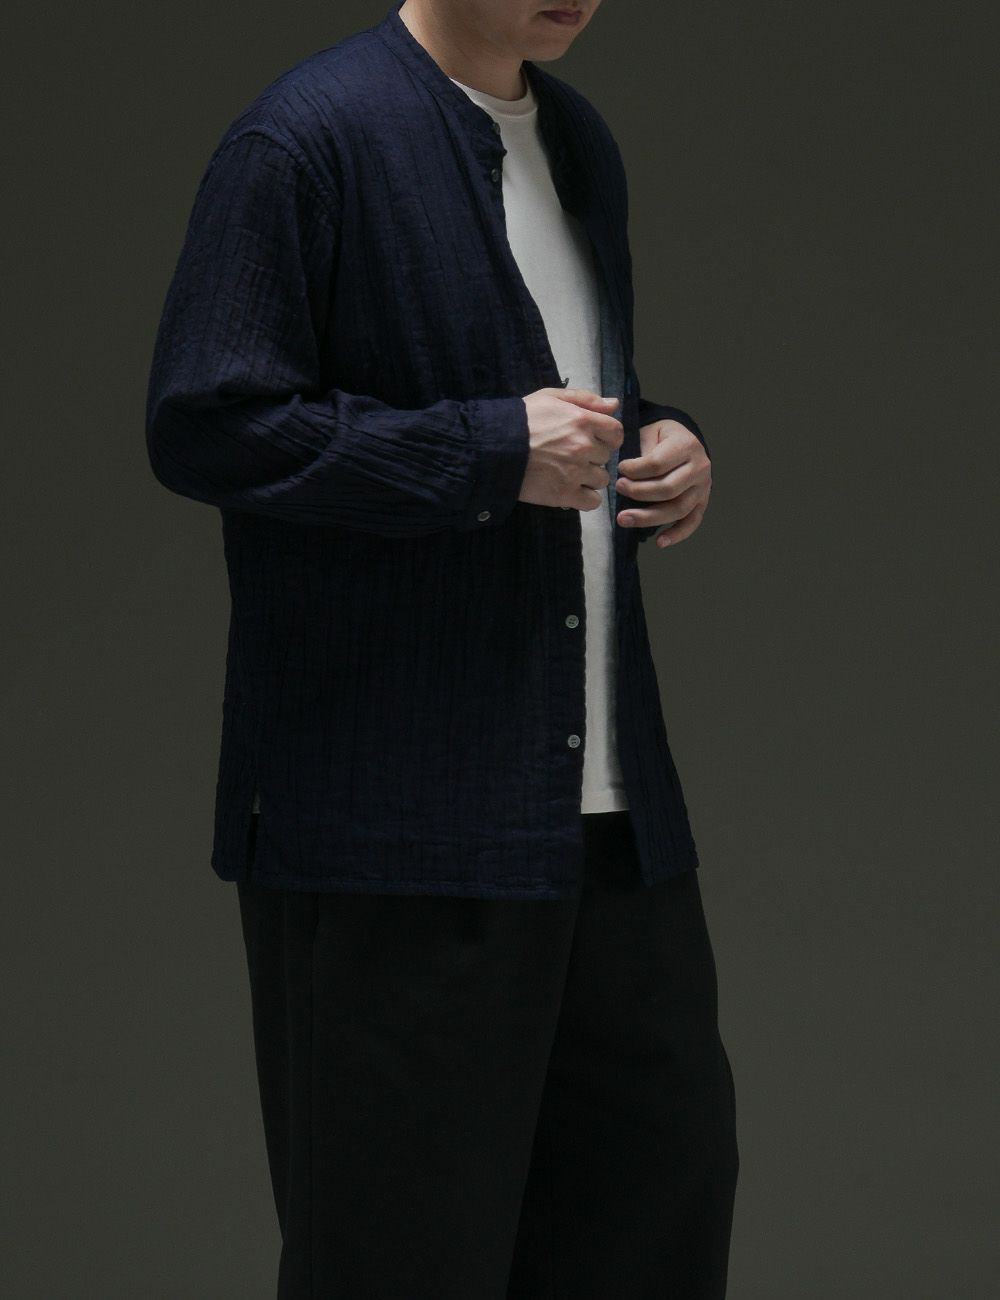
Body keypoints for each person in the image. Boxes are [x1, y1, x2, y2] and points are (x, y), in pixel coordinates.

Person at [145, 1, 738, 1295]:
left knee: (652, 1239)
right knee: (401, 1264)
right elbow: (207, 422)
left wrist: (658, 439)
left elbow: (548, 394)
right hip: (394, 835)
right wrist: (487, 451)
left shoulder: (575, 140)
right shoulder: (306, 138)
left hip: (610, 830)